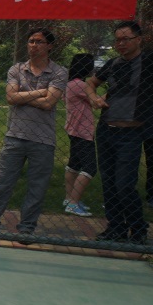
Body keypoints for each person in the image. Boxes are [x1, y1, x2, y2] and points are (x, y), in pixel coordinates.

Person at [0, 28, 66, 239]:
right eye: (31, 41)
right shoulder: (16, 69)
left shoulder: (59, 72)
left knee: (37, 187)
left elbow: (49, 103)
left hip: (43, 139)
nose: (33, 45)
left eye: (39, 42)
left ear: (50, 46)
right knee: (2, 183)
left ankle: (27, 227)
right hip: (15, 135)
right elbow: (10, 98)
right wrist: (41, 92)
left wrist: (22, 96)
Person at [85, 21, 151, 244]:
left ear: (139, 39)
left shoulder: (148, 62)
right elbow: (90, 83)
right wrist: (94, 98)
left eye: (126, 39)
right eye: (117, 40)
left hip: (131, 133)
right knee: (109, 184)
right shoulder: (113, 64)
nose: (121, 44)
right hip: (106, 130)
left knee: (124, 185)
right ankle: (116, 228)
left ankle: (138, 229)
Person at [62, 54, 96, 218]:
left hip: (73, 130)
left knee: (74, 165)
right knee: (90, 168)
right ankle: (73, 204)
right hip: (83, 132)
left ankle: (69, 199)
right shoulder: (80, 85)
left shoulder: (69, 84)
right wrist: (114, 92)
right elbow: (97, 102)